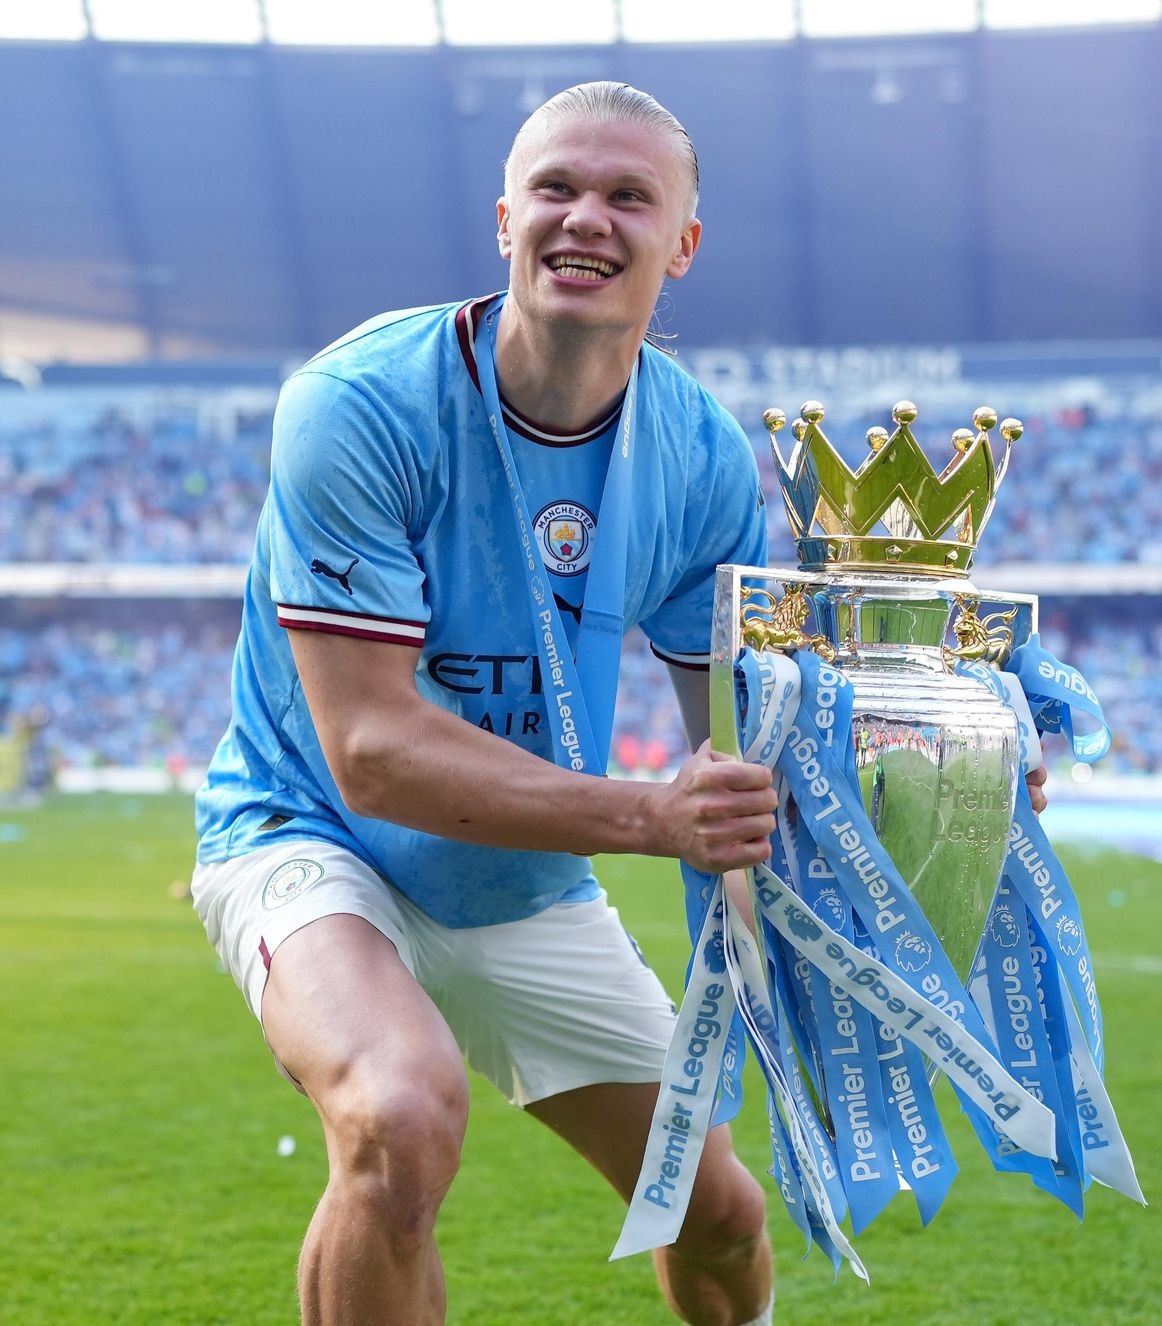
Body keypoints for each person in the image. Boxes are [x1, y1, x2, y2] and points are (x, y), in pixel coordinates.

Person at [190, 83, 782, 1326]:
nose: (586, 220)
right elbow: (370, 752)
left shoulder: (703, 455)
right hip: (312, 837)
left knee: (716, 1216)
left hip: (517, 877)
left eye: (629, 197)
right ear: (504, 214)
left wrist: (932, 781)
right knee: (397, 1117)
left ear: (681, 244)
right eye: (557, 189)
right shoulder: (360, 404)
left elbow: (733, 741)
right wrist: (643, 817)